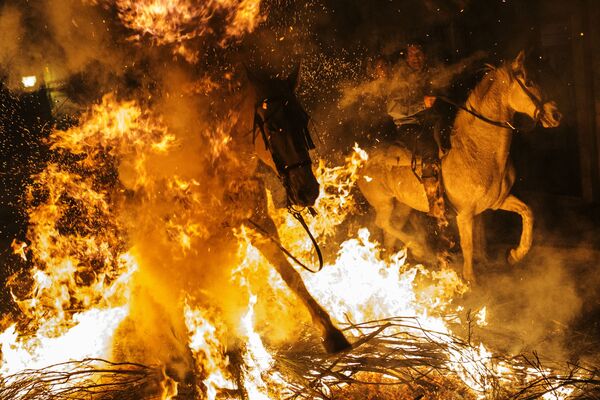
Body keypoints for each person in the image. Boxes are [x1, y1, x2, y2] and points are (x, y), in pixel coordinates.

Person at [386, 43, 453, 263]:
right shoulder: (399, 76)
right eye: (412, 54)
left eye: (420, 53)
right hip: (408, 126)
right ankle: (434, 201)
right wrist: (421, 106)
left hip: (429, 121)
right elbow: (393, 109)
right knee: (429, 149)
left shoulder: (428, 73)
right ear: (405, 56)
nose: (417, 57)